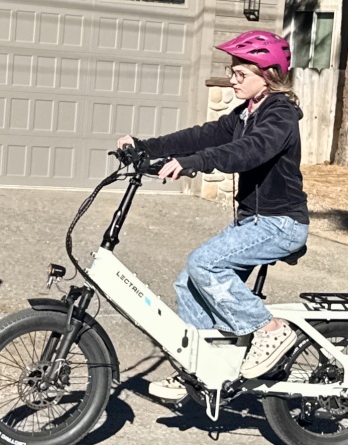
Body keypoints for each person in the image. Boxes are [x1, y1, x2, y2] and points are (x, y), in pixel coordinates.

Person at [116, 30, 309, 400]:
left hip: (280, 223)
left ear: (267, 75)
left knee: (204, 264)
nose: (232, 79)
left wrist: (193, 164)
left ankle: (269, 330)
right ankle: (201, 368)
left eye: (241, 74)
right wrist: (145, 146)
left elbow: (249, 152)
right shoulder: (244, 113)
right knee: (188, 281)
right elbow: (201, 136)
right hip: (253, 222)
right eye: (231, 71)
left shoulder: (279, 113)